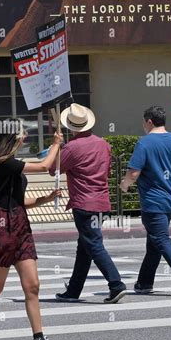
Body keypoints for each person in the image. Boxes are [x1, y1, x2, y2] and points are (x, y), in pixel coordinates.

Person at [0, 119, 68, 340]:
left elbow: (18, 202)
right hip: (2, 228)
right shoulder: (3, 163)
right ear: (12, 138)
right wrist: (56, 144)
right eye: (22, 134)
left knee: (32, 286)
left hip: (21, 225)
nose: (25, 138)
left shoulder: (12, 166)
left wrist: (45, 199)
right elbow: (45, 166)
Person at [49, 104, 127, 304]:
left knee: (93, 245)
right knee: (84, 248)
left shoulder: (72, 147)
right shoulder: (104, 144)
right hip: (101, 201)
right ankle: (74, 290)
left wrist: (56, 146)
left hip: (84, 203)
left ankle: (116, 284)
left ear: (71, 126)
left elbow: (52, 169)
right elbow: (106, 170)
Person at [120, 106, 171, 296]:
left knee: (160, 239)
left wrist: (124, 184)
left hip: (153, 201)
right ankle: (144, 283)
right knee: (154, 241)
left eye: (143, 122)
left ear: (149, 121)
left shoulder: (145, 143)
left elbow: (134, 172)